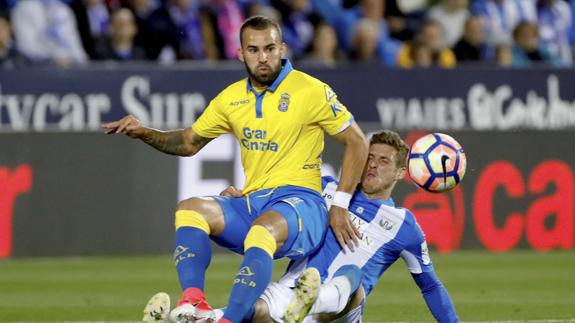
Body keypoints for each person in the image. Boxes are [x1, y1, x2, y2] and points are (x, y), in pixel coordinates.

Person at [104, 15, 368, 323]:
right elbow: (189, 142)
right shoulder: (231, 99)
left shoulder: (311, 90)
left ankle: (229, 319)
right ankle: (194, 301)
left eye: (270, 48)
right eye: (253, 50)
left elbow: (357, 142)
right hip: (254, 202)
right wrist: (145, 132)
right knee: (190, 209)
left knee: (262, 229)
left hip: (302, 206)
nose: (263, 57)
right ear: (240, 53)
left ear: (282, 49)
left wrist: (339, 205)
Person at [204, 130, 459, 322]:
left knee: (353, 276)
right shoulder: (324, 188)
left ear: (400, 173)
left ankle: (312, 300)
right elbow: (275, 197)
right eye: (369, 157)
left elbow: (431, 285)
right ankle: (192, 316)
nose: (372, 165)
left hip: (344, 312)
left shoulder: (403, 224)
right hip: (291, 291)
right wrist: (242, 198)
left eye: (383, 161)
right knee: (249, 311)